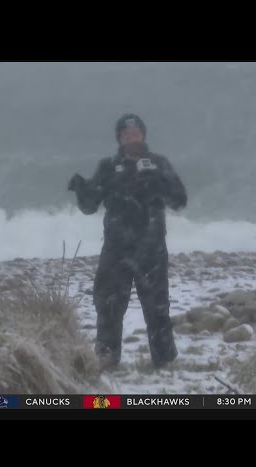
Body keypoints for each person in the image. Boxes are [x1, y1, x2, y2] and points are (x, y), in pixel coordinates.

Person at [68, 114, 188, 369]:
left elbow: (180, 201)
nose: (130, 138)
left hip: (151, 248)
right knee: (108, 306)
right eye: (125, 135)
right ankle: (106, 360)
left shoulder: (158, 164)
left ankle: (164, 361)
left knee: (157, 309)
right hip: (116, 249)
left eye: (135, 134)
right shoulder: (108, 167)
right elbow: (90, 206)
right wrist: (81, 189)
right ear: (119, 139)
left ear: (143, 135)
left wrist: (160, 185)